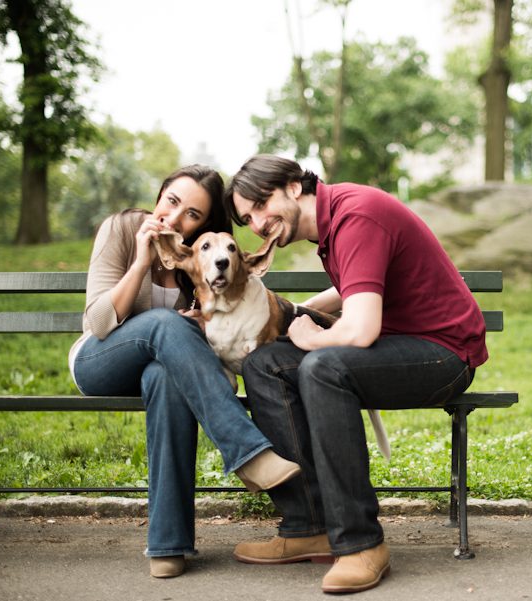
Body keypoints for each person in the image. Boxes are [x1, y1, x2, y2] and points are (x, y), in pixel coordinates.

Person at [223, 154, 488, 594]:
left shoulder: (357, 214)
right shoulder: (336, 221)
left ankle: (361, 543)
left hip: (444, 354)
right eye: (247, 217)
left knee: (324, 367)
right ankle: (309, 525)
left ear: (292, 186)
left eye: (260, 206)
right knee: (264, 364)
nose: (257, 224)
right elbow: (353, 288)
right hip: (401, 344)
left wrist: (308, 337)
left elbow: (361, 329)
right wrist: (297, 313)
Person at [68, 164, 302, 579]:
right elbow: (99, 323)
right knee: (166, 323)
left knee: (165, 375)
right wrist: (140, 262)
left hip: (159, 369)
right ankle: (247, 451)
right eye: (172, 201)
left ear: (201, 226)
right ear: (159, 196)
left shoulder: (197, 260)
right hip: (100, 360)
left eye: (192, 214)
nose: (175, 218)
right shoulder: (122, 229)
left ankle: (167, 544)